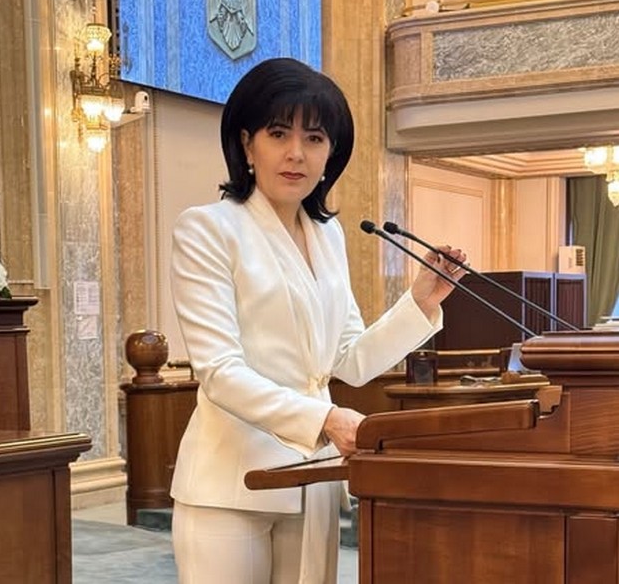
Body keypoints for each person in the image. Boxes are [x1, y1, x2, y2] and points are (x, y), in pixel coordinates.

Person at [169, 57, 467, 584]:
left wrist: (420, 301)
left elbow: (348, 360)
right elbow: (219, 372)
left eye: (314, 138)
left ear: (331, 153)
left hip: (312, 480)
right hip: (230, 482)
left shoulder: (327, 236)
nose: (296, 153)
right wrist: (326, 420)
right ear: (247, 144)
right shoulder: (208, 229)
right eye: (278, 134)